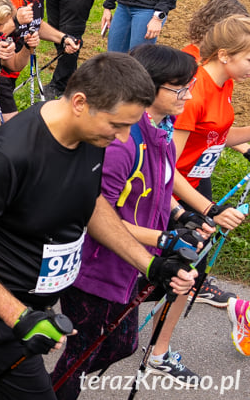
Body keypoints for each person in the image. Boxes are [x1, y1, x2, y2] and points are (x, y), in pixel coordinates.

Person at [0, 52, 197, 400]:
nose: (123, 138)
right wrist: (20, 317)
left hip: (34, 296)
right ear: (79, 102)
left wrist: (150, 263)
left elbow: (91, 203)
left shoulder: (92, 137)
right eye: (117, 125)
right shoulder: (9, 156)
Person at [51, 44, 206, 398]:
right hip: (97, 266)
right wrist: (162, 240)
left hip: (130, 262)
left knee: (120, 344)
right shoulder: (124, 143)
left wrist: (182, 215)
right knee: (83, 352)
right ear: (149, 87)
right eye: (180, 87)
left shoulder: (162, 131)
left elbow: (161, 187)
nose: (188, 94)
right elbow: (97, 215)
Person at [170, 15, 250, 306]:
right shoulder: (195, 92)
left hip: (198, 183)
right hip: (173, 195)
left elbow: (217, 136)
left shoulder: (225, 83)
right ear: (225, 55)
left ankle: (160, 350)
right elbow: (166, 166)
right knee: (170, 276)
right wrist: (210, 209)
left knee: (191, 274)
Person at [0, 0, 80, 121]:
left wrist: (62, 39)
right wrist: (16, 21)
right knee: (13, 131)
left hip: (13, 71)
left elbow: (37, 24)